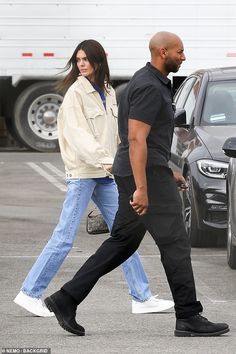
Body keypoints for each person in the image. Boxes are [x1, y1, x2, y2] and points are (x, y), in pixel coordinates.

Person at [44, 32, 230, 337]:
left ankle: (65, 299)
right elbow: (135, 139)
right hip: (144, 177)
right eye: (179, 52)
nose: (183, 56)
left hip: (145, 172)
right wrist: (143, 188)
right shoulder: (148, 87)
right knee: (175, 243)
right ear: (162, 51)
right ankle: (188, 316)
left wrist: (169, 170)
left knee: (122, 243)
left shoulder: (149, 82)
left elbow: (150, 140)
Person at [14, 39, 174, 318]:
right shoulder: (76, 93)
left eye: (86, 59)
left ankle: (141, 296)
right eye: (78, 60)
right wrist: (108, 161)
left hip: (105, 173)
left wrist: (119, 161)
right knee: (64, 237)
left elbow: (116, 132)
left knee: (125, 235)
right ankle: (30, 292)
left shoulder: (109, 91)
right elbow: (79, 136)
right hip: (84, 174)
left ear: (99, 61)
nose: (82, 64)